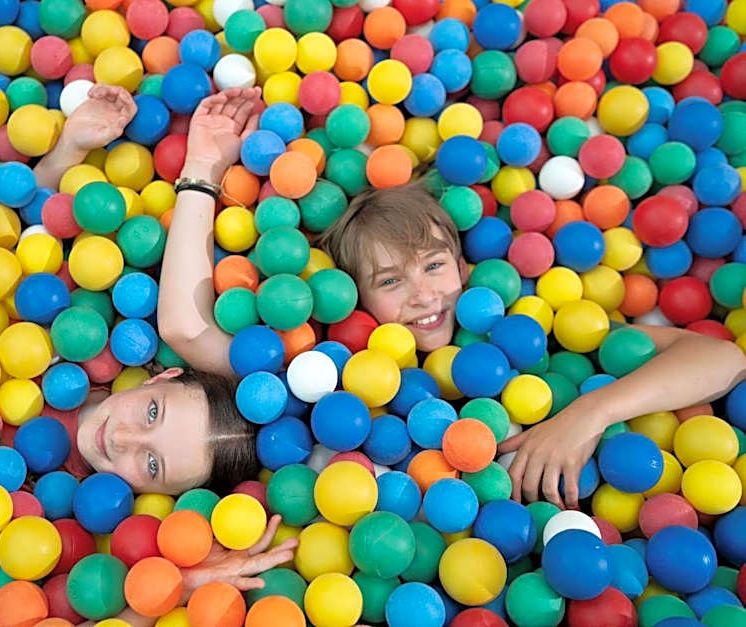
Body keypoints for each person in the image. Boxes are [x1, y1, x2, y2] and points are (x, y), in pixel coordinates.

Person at [156, 88, 746, 515]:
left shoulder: (541, 335)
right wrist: (203, 168)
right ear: (353, 303)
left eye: (435, 266)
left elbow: (722, 361)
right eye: (389, 283)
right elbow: (186, 330)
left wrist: (588, 414)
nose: (423, 295)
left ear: (465, 266)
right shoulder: (333, 378)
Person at [32, 85, 296, 627]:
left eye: (151, 466)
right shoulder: (73, 345)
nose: (123, 440)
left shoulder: (87, 535)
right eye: (152, 413)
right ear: (162, 376)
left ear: (164, 500)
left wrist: (177, 588)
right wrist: (69, 150)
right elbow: (181, 322)